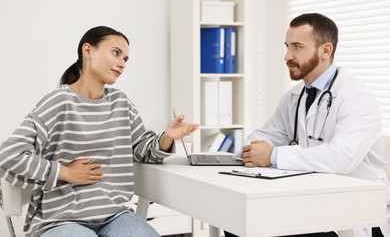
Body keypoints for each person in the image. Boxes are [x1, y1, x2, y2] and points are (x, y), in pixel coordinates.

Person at [0, 26, 199, 237]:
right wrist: (65, 173)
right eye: (116, 53)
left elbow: (142, 149)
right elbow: (9, 154)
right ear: (88, 51)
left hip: (114, 215)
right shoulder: (58, 102)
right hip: (59, 219)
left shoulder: (121, 103)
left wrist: (167, 136)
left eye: (126, 58)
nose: (122, 63)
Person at [226, 13, 390, 237]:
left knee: (259, 227)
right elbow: (266, 134)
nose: (287, 56)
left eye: (297, 47)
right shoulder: (293, 97)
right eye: (286, 46)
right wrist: (252, 150)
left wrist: (272, 156)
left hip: (354, 210)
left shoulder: (356, 96)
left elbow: (342, 157)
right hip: (313, 202)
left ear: (325, 50)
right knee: (239, 224)